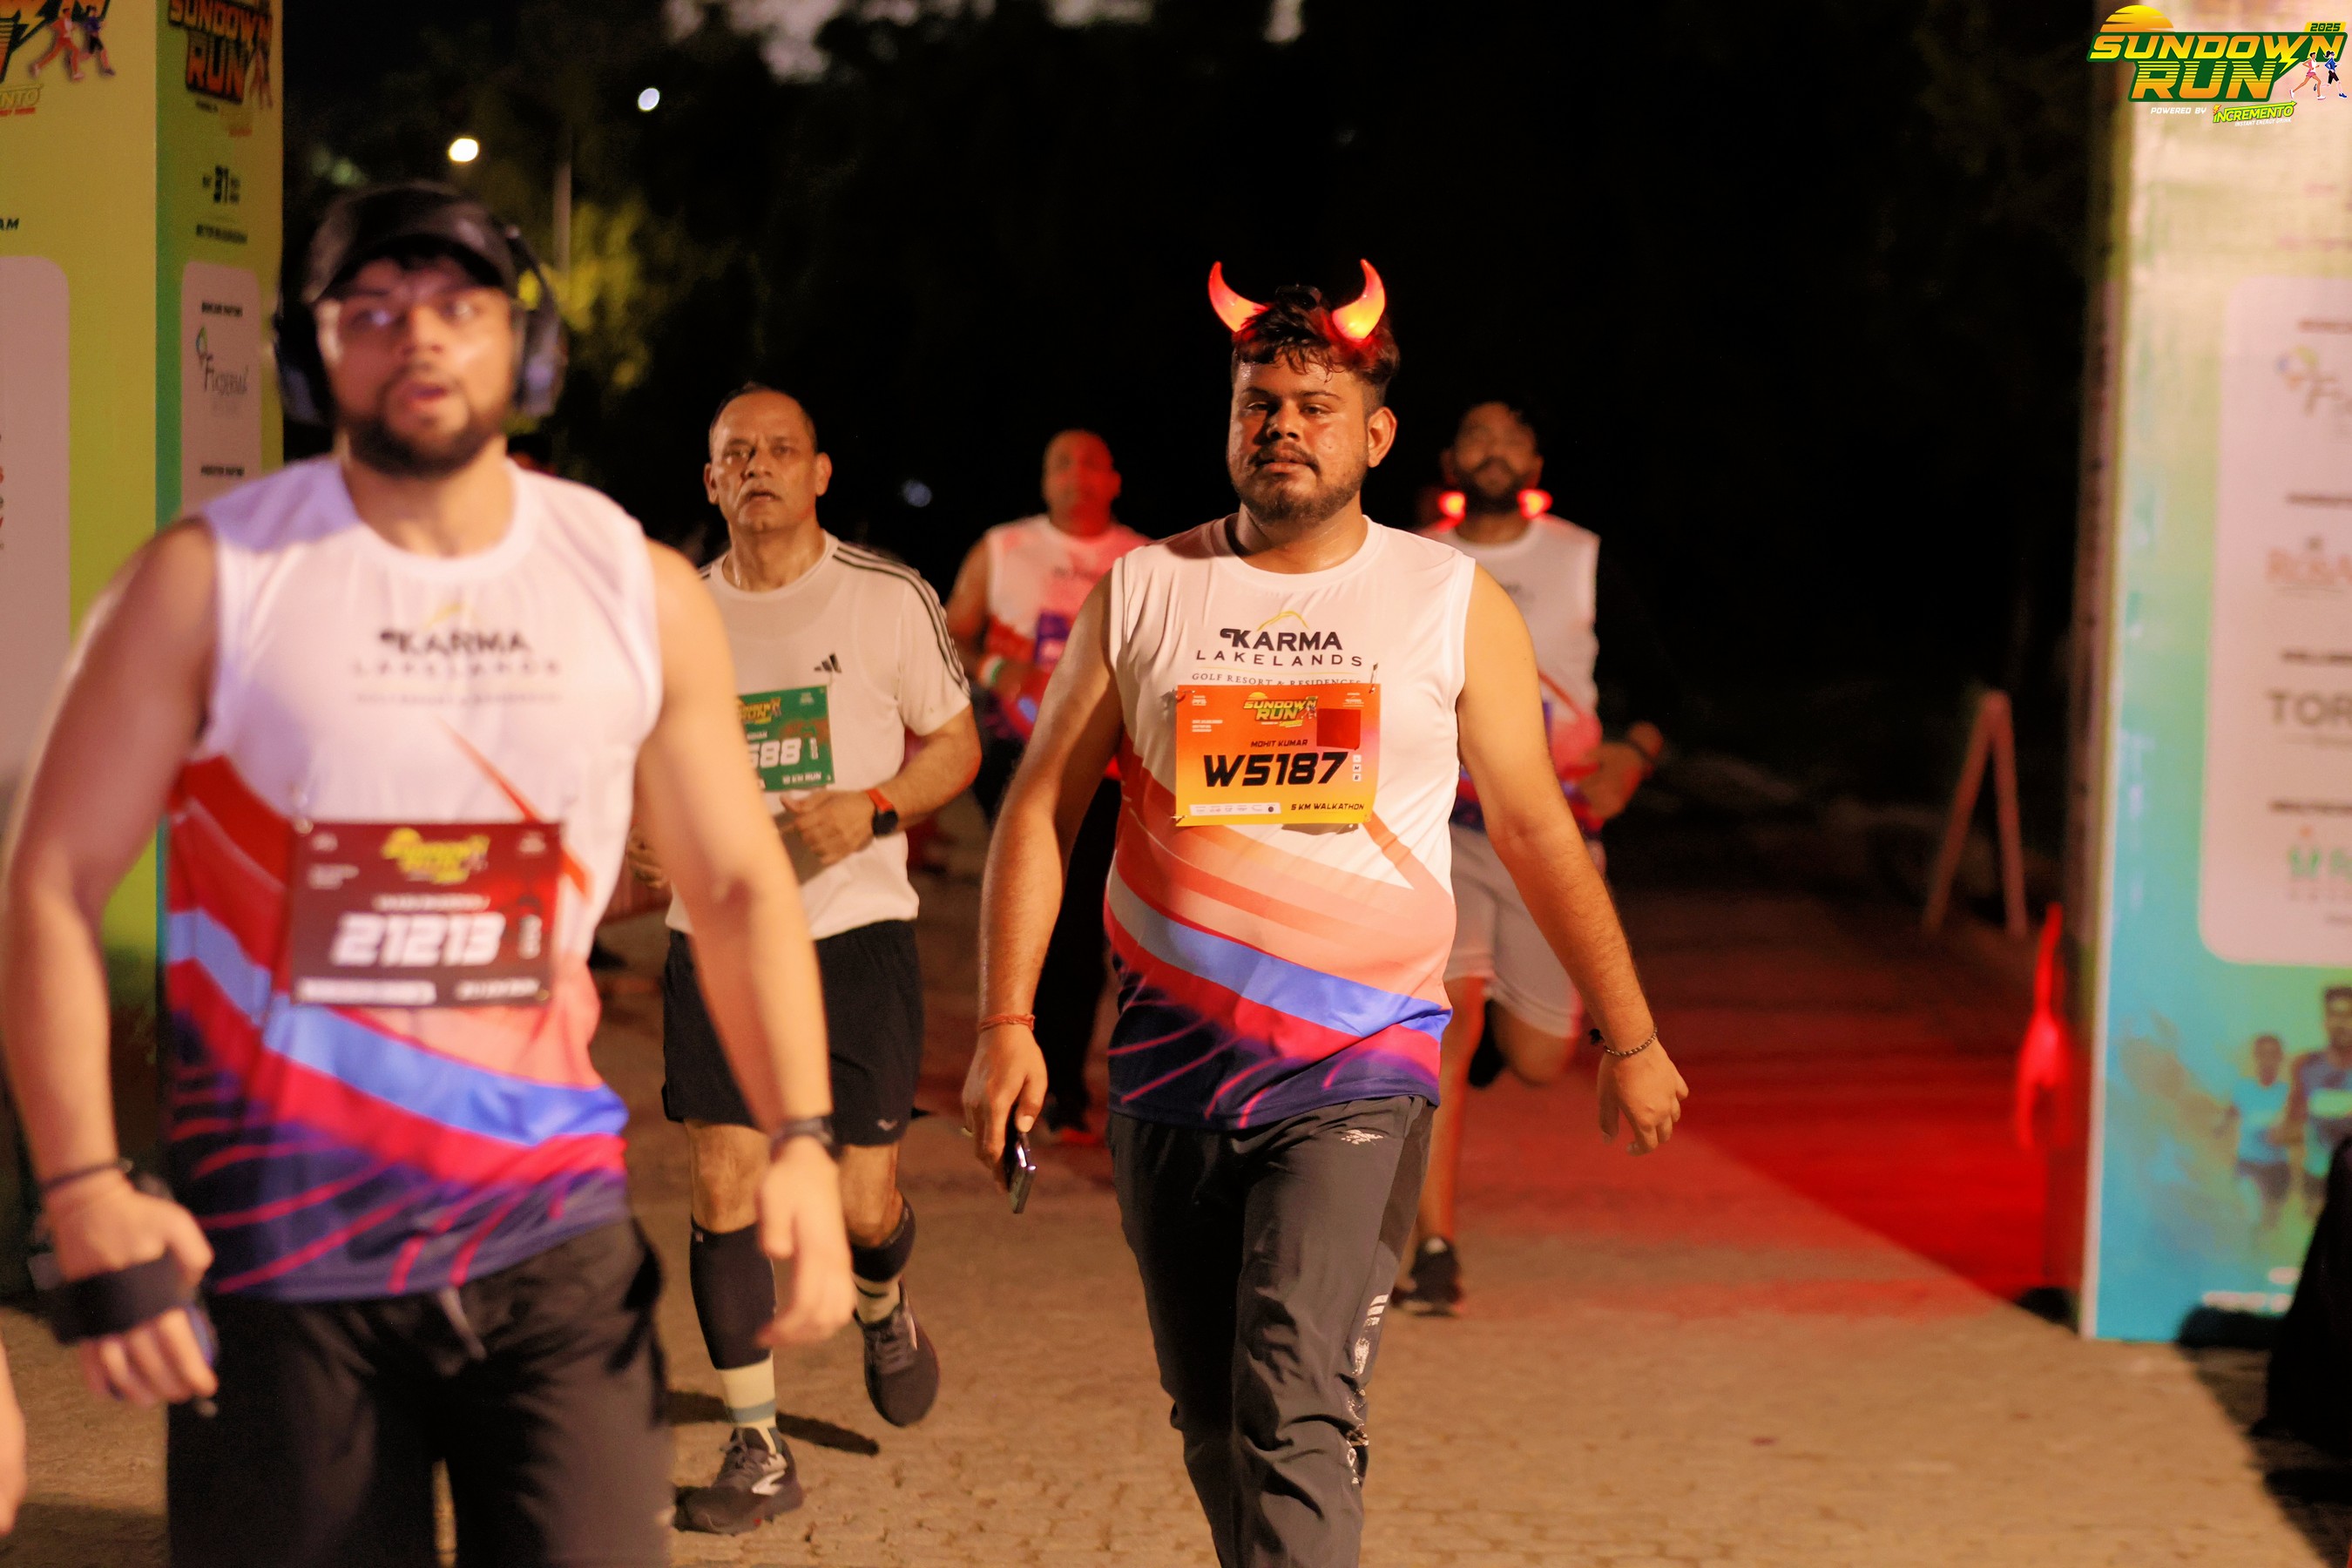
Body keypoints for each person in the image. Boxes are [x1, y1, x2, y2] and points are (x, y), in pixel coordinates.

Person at [0, 182, 854, 1568]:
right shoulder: (208, 581)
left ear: (527, 346)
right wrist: (85, 1183)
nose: (419, 337)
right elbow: (47, 879)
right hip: (287, 1254)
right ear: (309, 353)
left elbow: (742, 885)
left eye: (459, 306)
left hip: (551, 1243)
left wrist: (801, 1135)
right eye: (373, 310)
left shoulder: (633, 587)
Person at [962, 263, 1687, 1567]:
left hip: (1360, 1064)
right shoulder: (1146, 591)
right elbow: (1038, 811)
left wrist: (1629, 1036)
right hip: (1168, 1071)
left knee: (1293, 1395)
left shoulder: (1446, 602)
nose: (1282, 426)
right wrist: (1006, 1021)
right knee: (1211, 1416)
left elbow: (1535, 827)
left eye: (1314, 406)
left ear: (1377, 435)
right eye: (1259, 403)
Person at [632, 384, 979, 1535]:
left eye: (782, 450)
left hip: (855, 934)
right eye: (738, 454)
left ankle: (884, 1304)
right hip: (717, 937)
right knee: (721, 1182)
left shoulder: (886, 596)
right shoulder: (675, 612)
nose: (760, 468)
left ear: (820, 473)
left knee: (862, 1201)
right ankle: (758, 1447)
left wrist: (876, 805)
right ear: (711, 480)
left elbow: (958, 745)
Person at [1398, 402, 1666, 1313]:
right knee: (1445, 1026)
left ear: (1535, 462)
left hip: (1553, 829)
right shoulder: (1414, 560)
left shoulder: (1580, 557)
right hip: (1446, 823)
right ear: (1449, 461)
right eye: (1477, 437)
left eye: (1510, 438)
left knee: (1542, 1056)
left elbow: (1657, 688)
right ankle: (1434, 1249)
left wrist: (1631, 756)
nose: (1494, 451)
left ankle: (1491, 1036)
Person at [943, 430, 1146, 1141]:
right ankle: (1011, 1057)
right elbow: (953, 633)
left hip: (1107, 767)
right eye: (1062, 462)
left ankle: (1061, 1084)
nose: (1076, 475)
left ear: (1113, 481)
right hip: (1017, 756)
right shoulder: (1004, 548)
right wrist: (1001, 672)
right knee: (1029, 907)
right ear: (1043, 479)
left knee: (1084, 919)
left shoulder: (1144, 560)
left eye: (1092, 463)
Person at [2291, 986, 2352, 1220]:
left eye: (2349, 1015)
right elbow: (2293, 1123)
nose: (2342, 1023)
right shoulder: (2305, 1065)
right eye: (2335, 1014)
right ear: (2325, 1021)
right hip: (2318, 1176)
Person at [2226, 1033, 2294, 1233]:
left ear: (2280, 1057)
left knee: (2271, 1224)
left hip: (2278, 1168)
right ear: (2256, 1056)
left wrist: (2283, 1134)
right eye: (2263, 1054)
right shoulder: (2242, 1088)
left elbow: (2297, 1128)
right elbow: (2229, 1115)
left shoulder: (2288, 1093)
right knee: (2252, 1219)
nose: (2268, 1059)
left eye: (2273, 1054)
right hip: (2248, 1164)